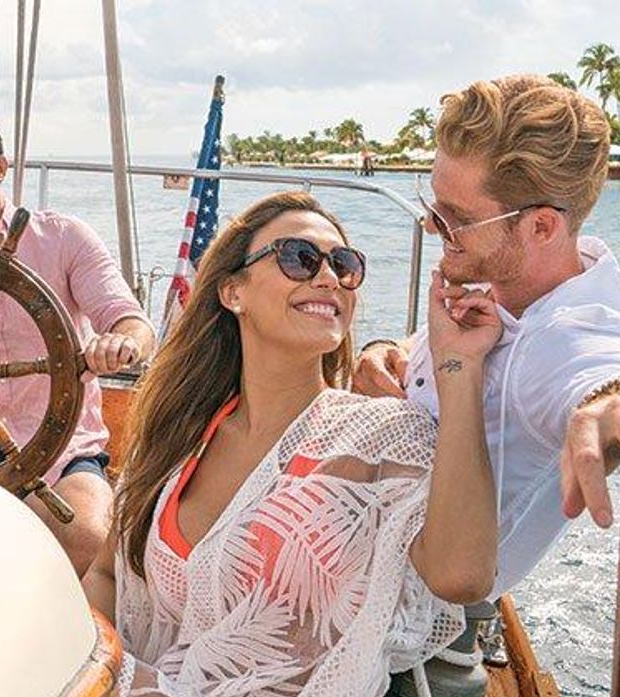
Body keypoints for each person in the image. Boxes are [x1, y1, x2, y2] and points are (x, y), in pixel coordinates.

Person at [82, 191, 504, 696]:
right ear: (233, 291)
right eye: (299, 258)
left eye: (344, 265)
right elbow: (108, 574)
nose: (328, 277)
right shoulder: (181, 435)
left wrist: (457, 366)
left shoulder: (379, 438)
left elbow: (462, 577)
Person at [352, 74, 620, 597]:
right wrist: (389, 352)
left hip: (396, 599)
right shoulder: (507, 273)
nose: (432, 226)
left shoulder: (571, 335)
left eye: (455, 218)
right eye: (433, 206)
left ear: (541, 227)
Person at [0, 101, 157, 576]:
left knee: (89, 542)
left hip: (61, 444)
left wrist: (120, 344)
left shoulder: (64, 238)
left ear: (1, 167)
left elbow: (132, 323)